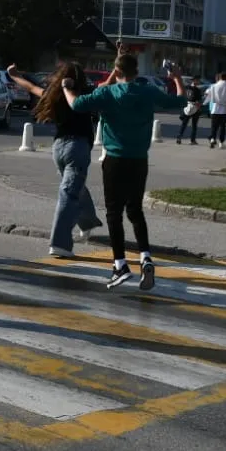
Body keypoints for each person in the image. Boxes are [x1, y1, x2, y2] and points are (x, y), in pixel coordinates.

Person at [63, 53, 185, 290]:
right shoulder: (148, 91)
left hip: (115, 159)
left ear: (117, 72)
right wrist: (177, 78)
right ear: (136, 71)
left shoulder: (107, 94)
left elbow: (76, 105)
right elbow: (180, 101)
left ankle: (120, 264)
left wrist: (67, 88)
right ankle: (145, 257)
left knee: (113, 212)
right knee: (135, 210)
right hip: (139, 160)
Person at [8, 62, 103, 258]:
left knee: (75, 187)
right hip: (77, 147)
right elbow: (106, 85)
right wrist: (118, 66)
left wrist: (15, 75)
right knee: (69, 192)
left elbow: (31, 88)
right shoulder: (84, 94)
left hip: (58, 148)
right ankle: (60, 244)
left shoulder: (54, 95)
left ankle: (87, 222)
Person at [203, 72, 226, 148]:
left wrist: (207, 101)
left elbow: (206, 92)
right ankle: (221, 142)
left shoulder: (214, 86)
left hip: (215, 109)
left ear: (220, 77)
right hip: (224, 110)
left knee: (214, 126)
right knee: (222, 127)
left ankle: (212, 139)